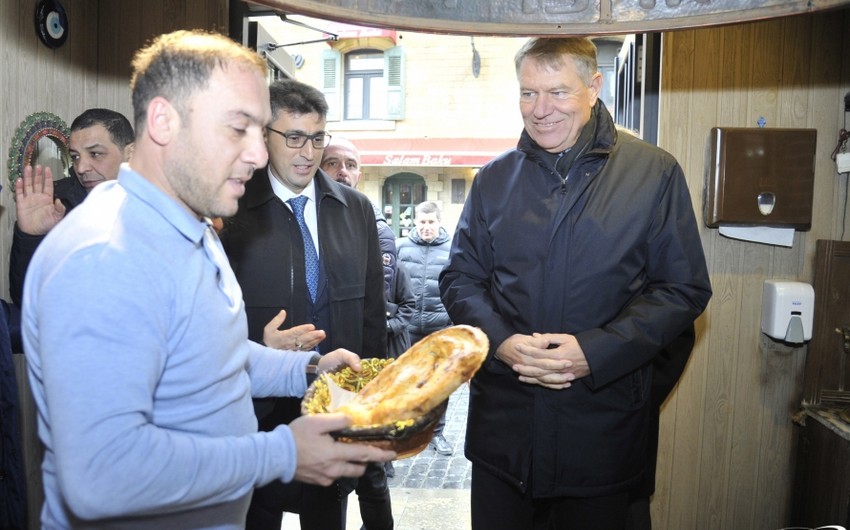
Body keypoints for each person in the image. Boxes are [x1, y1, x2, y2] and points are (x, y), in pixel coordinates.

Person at [21, 30, 394, 529]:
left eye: (259, 133)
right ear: (164, 122)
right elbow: (101, 477)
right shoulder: (105, 256)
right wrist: (281, 453)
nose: (258, 155)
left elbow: (215, 355)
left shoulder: (193, 231)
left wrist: (307, 368)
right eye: (238, 129)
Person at [438, 37, 712, 530]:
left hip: (601, 435)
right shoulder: (493, 179)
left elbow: (682, 290)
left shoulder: (654, 173)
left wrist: (595, 352)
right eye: (528, 93)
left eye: (558, 92)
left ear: (594, 87)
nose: (540, 109)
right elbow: (460, 278)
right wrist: (502, 343)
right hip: (506, 434)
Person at [219, 79, 389, 530]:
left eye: (317, 138)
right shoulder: (230, 208)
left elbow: (373, 313)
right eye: (294, 137)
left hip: (335, 403)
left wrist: (372, 392)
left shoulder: (356, 209)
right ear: (265, 135)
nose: (307, 153)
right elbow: (208, 323)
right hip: (258, 413)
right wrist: (260, 345)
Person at [321, 136, 415, 480]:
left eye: (350, 165)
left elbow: (379, 296)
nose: (342, 172)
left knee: (368, 466)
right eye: (332, 163)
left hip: (359, 351)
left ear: (360, 174)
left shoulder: (373, 225)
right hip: (314, 355)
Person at [9, 108, 134, 305]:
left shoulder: (162, 204)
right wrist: (30, 237)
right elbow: (24, 300)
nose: (81, 168)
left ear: (130, 153)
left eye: (95, 154)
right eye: (75, 156)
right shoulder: (55, 204)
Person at [396, 200, 454, 456]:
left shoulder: (453, 249)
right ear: (415, 222)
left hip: (439, 327)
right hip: (408, 328)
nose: (426, 227)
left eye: (431, 222)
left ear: (439, 222)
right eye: (422, 222)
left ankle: (437, 433)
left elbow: (458, 288)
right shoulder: (400, 247)